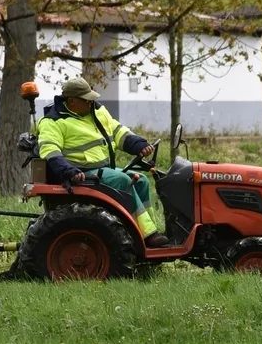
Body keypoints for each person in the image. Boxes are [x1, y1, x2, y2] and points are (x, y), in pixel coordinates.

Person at [36, 77, 169, 248]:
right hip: (80, 173)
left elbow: (118, 131)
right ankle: (148, 236)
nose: (91, 103)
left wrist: (138, 144)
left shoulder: (97, 111)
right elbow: (50, 151)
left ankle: (146, 231)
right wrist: (68, 171)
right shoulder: (52, 122)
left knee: (141, 180)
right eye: (86, 100)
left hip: (102, 170)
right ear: (71, 101)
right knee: (122, 180)